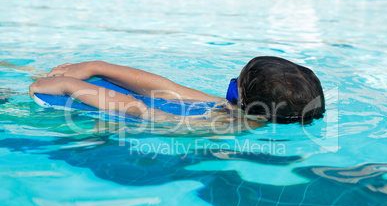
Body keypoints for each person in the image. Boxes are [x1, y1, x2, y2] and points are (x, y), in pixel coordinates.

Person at [28, 56, 325, 124]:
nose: (229, 92)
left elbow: (141, 110)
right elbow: (168, 88)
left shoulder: (216, 127)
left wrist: (70, 85)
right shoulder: (238, 110)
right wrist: (97, 67)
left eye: (234, 86)